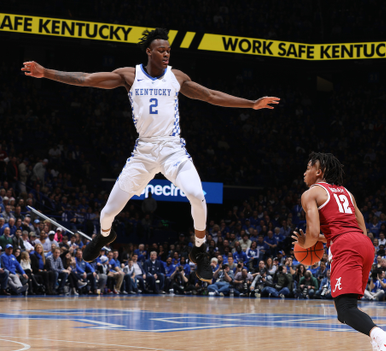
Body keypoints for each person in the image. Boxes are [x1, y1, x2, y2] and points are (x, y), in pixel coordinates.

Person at [22, 28, 279, 283]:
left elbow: (211, 96)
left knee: (198, 195)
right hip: (143, 153)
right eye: (161, 50)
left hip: (172, 149)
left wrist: (251, 103)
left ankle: (199, 248)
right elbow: (87, 78)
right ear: (149, 52)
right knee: (108, 212)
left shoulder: (176, 77)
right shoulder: (129, 75)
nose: (166, 54)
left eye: (168, 50)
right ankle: (103, 235)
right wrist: (46, 73)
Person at [292, 152, 386, 351]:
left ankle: (383, 339)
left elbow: (313, 233)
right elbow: (360, 229)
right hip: (364, 244)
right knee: (350, 306)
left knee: (344, 310)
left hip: (345, 247)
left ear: (319, 171)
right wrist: (328, 239)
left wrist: (306, 243)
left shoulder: (310, 193)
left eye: (308, 167)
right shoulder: (347, 193)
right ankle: (375, 347)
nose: (304, 172)